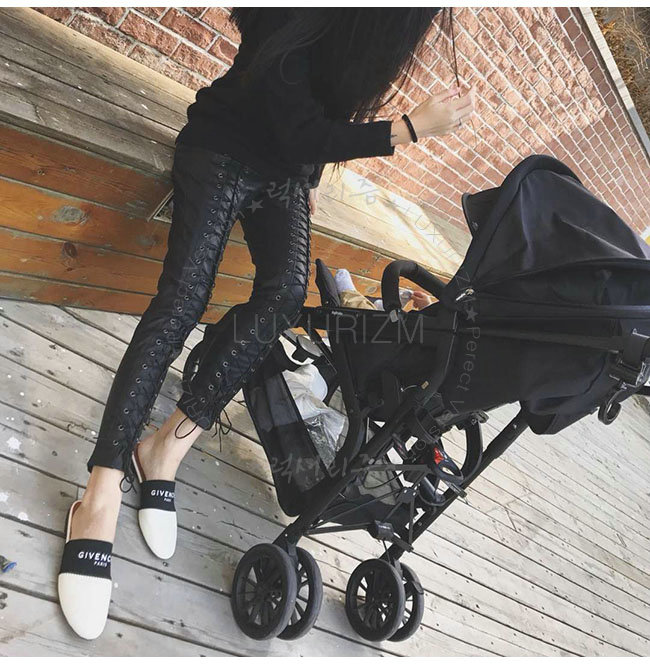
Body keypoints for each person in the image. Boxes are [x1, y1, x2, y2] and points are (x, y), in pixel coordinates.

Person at [57, 7, 475, 639]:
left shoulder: (364, 33)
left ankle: (165, 448)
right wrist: (408, 129)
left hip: (285, 169)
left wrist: (311, 173)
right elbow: (289, 92)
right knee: (184, 300)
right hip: (226, 143)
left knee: (282, 299)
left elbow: (322, 107)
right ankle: (101, 493)